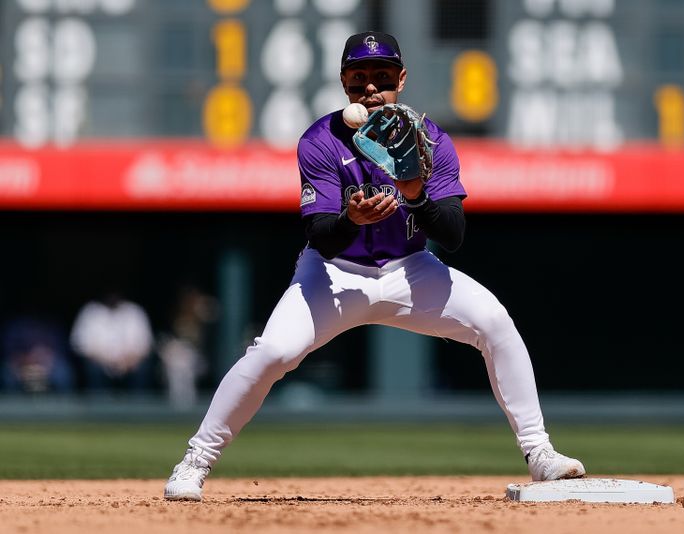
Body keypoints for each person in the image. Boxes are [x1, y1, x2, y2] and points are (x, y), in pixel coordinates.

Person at [164, 31, 585, 501]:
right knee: (272, 353)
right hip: (334, 272)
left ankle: (540, 453)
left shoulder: (432, 140)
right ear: (343, 81)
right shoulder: (321, 140)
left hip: (411, 269)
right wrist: (351, 219)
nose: (370, 87)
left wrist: (415, 194)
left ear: (401, 80)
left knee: (495, 322)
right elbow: (319, 234)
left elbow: (453, 234)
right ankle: (195, 461)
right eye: (358, 77)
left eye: (382, 76)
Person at [70, 292, 154, 394]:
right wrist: (105, 361)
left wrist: (129, 361)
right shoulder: (90, 311)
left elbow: (145, 345)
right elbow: (80, 345)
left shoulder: (135, 311)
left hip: (130, 364)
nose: (113, 296)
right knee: (93, 369)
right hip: (100, 363)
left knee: (142, 369)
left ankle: (139, 408)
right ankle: (98, 408)